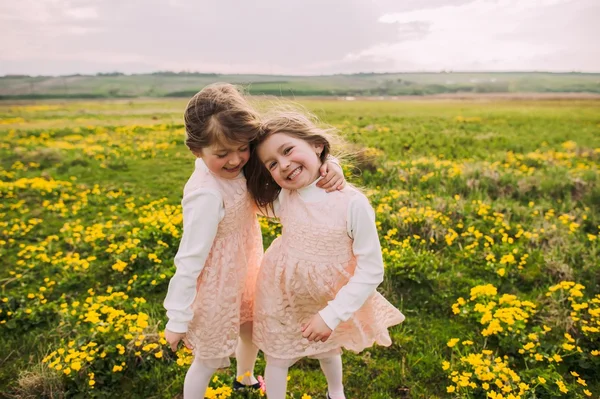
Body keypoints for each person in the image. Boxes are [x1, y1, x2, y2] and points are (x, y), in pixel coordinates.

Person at [162, 83, 345, 397]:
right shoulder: (206, 194)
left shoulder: (242, 167)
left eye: (242, 148)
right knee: (206, 359)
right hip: (217, 284)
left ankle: (245, 378)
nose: (235, 160)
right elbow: (189, 258)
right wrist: (178, 316)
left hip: (248, 269)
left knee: (250, 333)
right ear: (196, 150)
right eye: (222, 154)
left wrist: (332, 165)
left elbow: (292, 153)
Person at [245, 110, 405, 399]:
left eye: (288, 150)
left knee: (328, 350)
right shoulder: (285, 196)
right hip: (281, 294)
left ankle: (336, 392)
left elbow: (371, 270)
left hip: (326, 297)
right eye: (272, 163)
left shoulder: (352, 204)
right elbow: (246, 190)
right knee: (278, 357)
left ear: (317, 145)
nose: (284, 165)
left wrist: (331, 315)